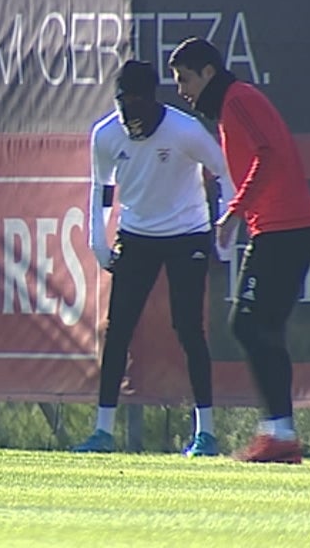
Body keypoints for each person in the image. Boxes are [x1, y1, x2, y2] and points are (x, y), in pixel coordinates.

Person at [169, 37, 310, 463]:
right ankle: (280, 434)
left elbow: (268, 155)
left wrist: (234, 212)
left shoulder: (237, 99)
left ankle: (280, 432)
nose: (181, 90)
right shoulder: (231, 105)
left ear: (208, 73)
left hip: (285, 228)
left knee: (249, 324)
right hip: (280, 228)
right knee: (260, 327)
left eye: (185, 79)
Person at [72, 60, 236, 457]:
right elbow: (101, 188)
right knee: (118, 330)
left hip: (187, 233)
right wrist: (98, 241)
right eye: (123, 103)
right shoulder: (106, 135)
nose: (131, 114)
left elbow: (225, 171)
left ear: (152, 100)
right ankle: (103, 431)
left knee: (189, 329)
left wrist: (225, 229)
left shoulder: (184, 130)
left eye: (138, 103)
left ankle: (206, 433)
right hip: (136, 235)